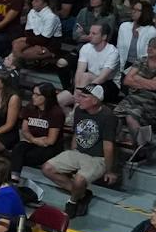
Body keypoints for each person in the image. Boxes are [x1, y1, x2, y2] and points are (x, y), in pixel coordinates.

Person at [42, 85, 115, 218]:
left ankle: (73, 201)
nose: (79, 99)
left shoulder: (108, 116)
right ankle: (81, 194)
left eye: (84, 97)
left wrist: (109, 170)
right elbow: (77, 132)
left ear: (95, 100)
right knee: (47, 168)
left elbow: (108, 146)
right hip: (78, 152)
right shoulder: (79, 111)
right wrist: (73, 150)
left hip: (97, 158)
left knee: (80, 179)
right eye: (79, 96)